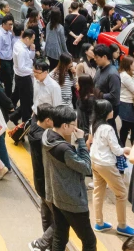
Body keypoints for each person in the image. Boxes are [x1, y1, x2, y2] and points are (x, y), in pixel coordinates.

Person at [42, 103, 96, 251]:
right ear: (65, 126)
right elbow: (86, 167)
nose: (75, 128)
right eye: (73, 124)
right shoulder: (63, 149)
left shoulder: (47, 135)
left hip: (56, 195)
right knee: (89, 240)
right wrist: (80, 141)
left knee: (60, 235)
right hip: (72, 200)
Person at [90, 99, 134, 236]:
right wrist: (127, 149)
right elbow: (116, 150)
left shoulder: (94, 125)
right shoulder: (108, 128)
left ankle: (99, 222)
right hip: (106, 164)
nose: (113, 111)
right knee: (121, 193)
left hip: (95, 161)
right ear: (105, 112)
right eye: (110, 109)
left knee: (98, 192)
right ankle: (122, 225)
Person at [28, 104, 55, 251]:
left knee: (46, 215)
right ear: (48, 120)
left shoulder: (34, 127)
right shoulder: (44, 138)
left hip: (39, 181)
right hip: (47, 183)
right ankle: (41, 243)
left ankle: (47, 244)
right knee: (61, 219)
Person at [12, 28, 36, 122]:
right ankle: (26, 122)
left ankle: (15, 116)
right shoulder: (21, 49)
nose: (33, 41)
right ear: (27, 38)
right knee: (27, 101)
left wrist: (32, 50)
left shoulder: (19, 44)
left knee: (25, 100)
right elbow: (22, 67)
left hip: (20, 76)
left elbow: (28, 58)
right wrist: (32, 71)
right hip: (24, 77)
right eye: (32, 39)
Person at [94, 44, 121, 123]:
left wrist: (100, 95)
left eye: (97, 57)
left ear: (104, 57)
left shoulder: (112, 74)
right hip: (99, 107)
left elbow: (115, 96)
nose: (95, 59)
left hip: (109, 110)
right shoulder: (99, 69)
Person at [0, 14, 15, 97]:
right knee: (7, 82)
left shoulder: (8, 32)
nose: (11, 26)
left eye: (12, 24)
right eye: (9, 24)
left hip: (9, 60)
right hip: (3, 61)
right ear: (3, 24)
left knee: (9, 81)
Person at [119, 55, 134, 145]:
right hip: (126, 104)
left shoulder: (129, 74)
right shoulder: (125, 76)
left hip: (128, 103)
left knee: (128, 126)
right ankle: (123, 146)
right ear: (129, 65)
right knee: (129, 126)